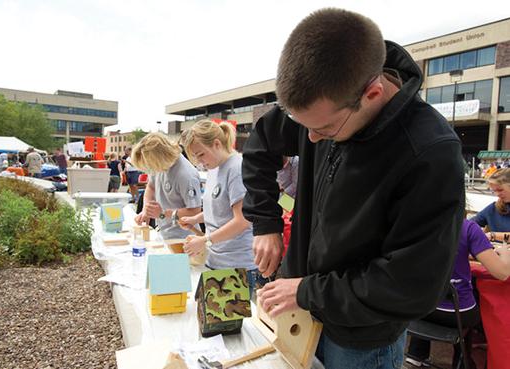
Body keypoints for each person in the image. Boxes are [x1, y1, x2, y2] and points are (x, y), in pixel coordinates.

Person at [241, 8, 465, 369]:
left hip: (361, 341)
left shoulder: (429, 152)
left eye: (324, 130)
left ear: (373, 93)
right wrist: (265, 223)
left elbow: (410, 285)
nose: (310, 139)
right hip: (299, 313)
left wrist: (306, 291)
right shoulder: (324, 102)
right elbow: (260, 144)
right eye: (303, 125)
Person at [406, 218, 510, 368]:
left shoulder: (418, 223)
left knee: (437, 290)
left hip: (420, 309)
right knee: (471, 306)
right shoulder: (468, 228)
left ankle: (416, 353)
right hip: (456, 314)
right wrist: (504, 252)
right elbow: (502, 273)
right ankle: (462, 363)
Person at [179, 120, 264, 292]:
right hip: (216, 261)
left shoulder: (236, 168)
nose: (199, 161)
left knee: (230, 318)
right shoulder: (214, 169)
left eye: (201, 154)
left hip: (237, 266)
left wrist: (204, 240)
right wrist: (197, 218)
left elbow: (242, 220)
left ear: (216, 144)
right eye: (195, 157)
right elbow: (221, 207)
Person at [132, 132, 202, 239]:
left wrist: (163, 214)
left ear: (160, 157)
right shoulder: (159, 165)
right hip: (164, 232)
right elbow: (151, 187)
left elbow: (195, 211)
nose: (150, 168)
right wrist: (146, 210)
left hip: (183, 237)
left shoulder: (186, 175)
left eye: (150, 165)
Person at [472, 168, 510, 235]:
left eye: (500, 190)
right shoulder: (493, 209)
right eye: (494, 191)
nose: (497, 194)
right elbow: (469, 224)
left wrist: (493, 236)